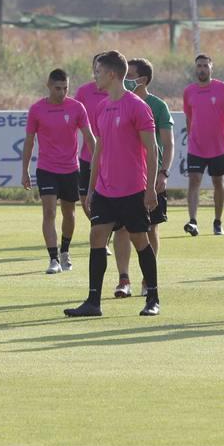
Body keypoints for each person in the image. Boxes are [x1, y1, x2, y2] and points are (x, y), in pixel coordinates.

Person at [64, 50, 161, 318]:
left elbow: (151, 151)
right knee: (96, 237)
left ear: (111, 74)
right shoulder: (101, 107)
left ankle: (152, 297)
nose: (94, 76)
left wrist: (151, 188)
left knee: (140, 239)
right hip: (105, 190)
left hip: (132, 189)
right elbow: (98, 150)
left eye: (97, 71)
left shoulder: (138, 107)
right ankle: (93, 302)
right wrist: (91, 187)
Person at [21, 68, 95, 274]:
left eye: (65, 88)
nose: (62, 92)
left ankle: (64, 251)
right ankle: (53, 258)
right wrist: (25, 170)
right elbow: (28, 141)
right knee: (49, 211)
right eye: (57, 88)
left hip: (71, 169)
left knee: (69, 213)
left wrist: (100, 161)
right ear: (48, 86)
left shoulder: (77, 107)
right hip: (46, 169)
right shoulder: (37, 109)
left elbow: (89, 137)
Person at [114, 58, 173, 298]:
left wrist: (163, 172)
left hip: (149, 178)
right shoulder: (117, 103)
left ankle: (149, 280)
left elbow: (167, 144)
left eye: (131, 75)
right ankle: (123, 279)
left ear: (143, 80)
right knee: (121, 230)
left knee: (150, 228)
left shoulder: (157, 106)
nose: (125, 80)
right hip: (122, 179)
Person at [182, 54, 224, 236]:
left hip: (219, 146)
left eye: (205, 66)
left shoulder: (223, 88)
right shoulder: (189, 91)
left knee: (218, 182)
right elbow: (188, 117)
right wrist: (190, 136)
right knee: (194, 181)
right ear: (195, 68)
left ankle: (217, 221)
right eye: (199, 65)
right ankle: (193, 221)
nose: (202, 69)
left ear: (211, 68)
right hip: (196, 146)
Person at [73, 53, 108, 205]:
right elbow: (72, 121)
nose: (97, 72)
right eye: (96, 68)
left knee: (107, 199)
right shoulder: (83, 91)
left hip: (111, 159)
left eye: (101, 69)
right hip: (87, 156)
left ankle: (103, 227)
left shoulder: (119, 93)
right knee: (85, 199)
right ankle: (100, 227)